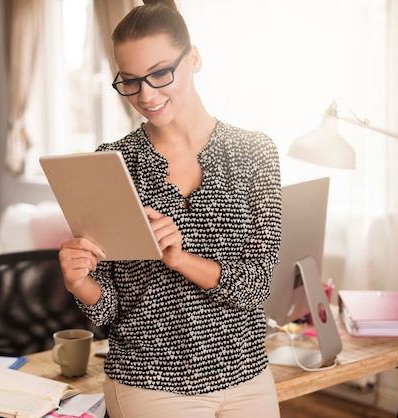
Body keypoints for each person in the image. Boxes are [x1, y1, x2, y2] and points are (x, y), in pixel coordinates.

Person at [58, 1, 282, 417]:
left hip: (249, 377)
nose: (146, 94)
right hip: (150, 383)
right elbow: (109, 310)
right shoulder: (113, 162)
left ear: (193, 58)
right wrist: (78, 282)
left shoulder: (256, 152)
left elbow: (258, 286)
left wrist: (180, 259)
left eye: (161, 73)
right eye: (130, 81)